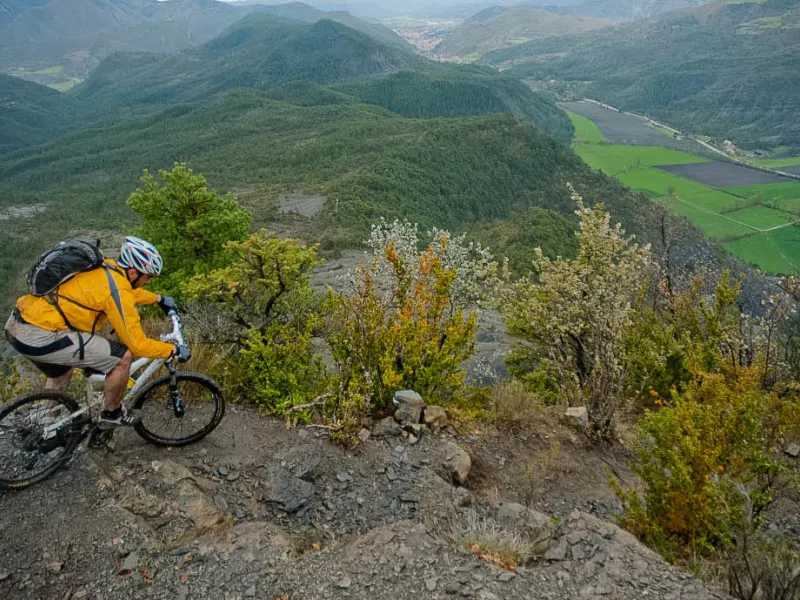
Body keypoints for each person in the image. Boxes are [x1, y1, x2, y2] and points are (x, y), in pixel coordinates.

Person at [4, 236, 190, 428]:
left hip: (18, 325)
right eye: (148, 276)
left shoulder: (107, 268)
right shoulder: (118, 291)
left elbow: (125, 290)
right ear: (134, 272)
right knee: (122, 358)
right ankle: (112, 413)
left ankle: (46, 424)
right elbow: (138, 345)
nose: (149, 281)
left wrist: (158, 299)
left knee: (63, 371)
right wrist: (172, 350)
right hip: (40, 336)